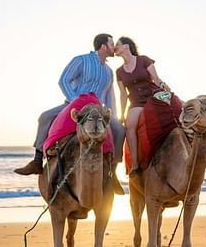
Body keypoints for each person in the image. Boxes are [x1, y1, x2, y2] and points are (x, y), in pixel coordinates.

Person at [14, 33, 126, 195]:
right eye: (111, 43)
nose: (114, 47)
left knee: (120, 130)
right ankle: (37, 160)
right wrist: (76, 102)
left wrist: (111, 116)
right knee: (45, 116)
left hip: (98, 110)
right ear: (103, 46)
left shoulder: (109, 71)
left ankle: (112, 172)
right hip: (72, 105)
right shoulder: (81, 60)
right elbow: (64, 80)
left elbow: (110, 96)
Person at [115, 37, 169, 178]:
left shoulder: (144, 60)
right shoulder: (119, 71)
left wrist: (165, 91)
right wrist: (122, 114)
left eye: (117, 45)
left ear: (126, 46)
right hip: (136, 102)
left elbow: (156, 79)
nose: (115, 47)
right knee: (129, 125)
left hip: (153, 96)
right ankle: (135, 165)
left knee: (177, 109)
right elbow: (123, 94)